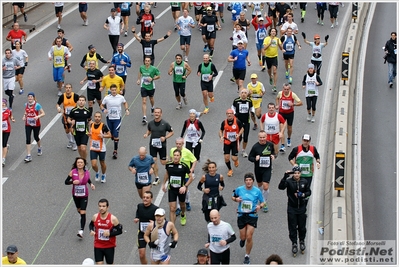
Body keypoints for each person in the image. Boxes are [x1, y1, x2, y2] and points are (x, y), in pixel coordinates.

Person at [232, 172, 265, 265]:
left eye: (250, 180)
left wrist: (260, 206)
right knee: (243, 236)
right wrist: (236, 199)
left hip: (252, 215)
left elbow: (263, 202)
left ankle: (247, 256)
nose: (248, 182)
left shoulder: (257, 191)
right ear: (244, 181)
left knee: (249, 236)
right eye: (246, 180)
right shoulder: (239, 189)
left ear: (253, 181)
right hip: (241, 215)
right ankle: (242, 240)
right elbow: (233, 196)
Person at [278, 166, 311, 255]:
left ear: (300, 174)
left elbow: (309, 192)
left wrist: (303, 194)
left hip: (301, 208)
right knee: (292, 226)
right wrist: (285, 177)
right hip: (292, 207)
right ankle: (294, 243)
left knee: (302, 227)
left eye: (298, 173)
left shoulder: (304, 181)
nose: (296, 175)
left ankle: (302, 241)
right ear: (293, 174)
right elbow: (280, 187)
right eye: (295, 173)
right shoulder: (289, 181)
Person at [65, 157, 95, 238]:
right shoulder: (73, 172)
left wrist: (91, 184)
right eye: (78, 162)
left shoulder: (87, 172)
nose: (80, 164)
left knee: (83, 212)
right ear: (76, 164)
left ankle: (81, 230)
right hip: (75, 195)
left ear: (84, 164)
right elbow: (66, 182)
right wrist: (72, 182)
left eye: (81, 162)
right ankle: (82, 218)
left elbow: (88, 179)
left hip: (84, 195)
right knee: (79, 210)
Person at [144, 107, 174, 186]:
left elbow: (171, 132)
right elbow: (149, 130)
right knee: (153, 161)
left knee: (163, 162)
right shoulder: (150, 123)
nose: (156, 114)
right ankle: (157, 177)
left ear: (161, 114)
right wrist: (147, 134)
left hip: (162, 145)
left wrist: (165, 137)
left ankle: (170, 159)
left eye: (158, 112)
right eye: (155, 112)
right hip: (153, 144)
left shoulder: (165, 123)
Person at [162, 149, 193, 225]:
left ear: (180, 156)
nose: (176, 157)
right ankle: (172, 226)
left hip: (181, 189)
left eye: (177, 155)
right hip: (171, 189)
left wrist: (185, 186)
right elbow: (167, 174)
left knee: (182, 204)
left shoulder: (184, 166)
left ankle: (183, 214)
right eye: (174, 155)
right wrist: (163, 184)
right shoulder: (168, 165)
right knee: (172, 208)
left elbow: (191, 177)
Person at [248, 130, 276, 212]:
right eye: (260, 137)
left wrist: (273, 156)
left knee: (265, 186)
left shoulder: (270, 145)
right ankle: (261, 198)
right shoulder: (255, 147)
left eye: (263, 137)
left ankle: (264, 202)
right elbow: (250, 157)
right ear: (258, 138)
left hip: (267, 169)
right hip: (258, 169)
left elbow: (274, 152)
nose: (262, 139)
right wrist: (255, 159)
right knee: (260, 186)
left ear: (266, 137)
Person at [100, 84, 129, 159]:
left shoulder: (120, 97)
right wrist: (103, 110)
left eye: (115, 90)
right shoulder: (107, 98)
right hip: (109, 118)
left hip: (117, 118)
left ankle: (115, 150)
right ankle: (113, 136)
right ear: (110, 90)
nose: (113, 91)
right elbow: (101, 105)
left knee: (115, 133)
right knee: (111, 133)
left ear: (117, 90)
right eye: (112, 90)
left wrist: (126, 109)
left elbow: (125, 103)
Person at [89, 198, 123, 264]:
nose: (101, 208)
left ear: (107, 207)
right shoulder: (95, 216)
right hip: (98, 245)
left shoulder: (113, 219)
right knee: (99, 264)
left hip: (109, 246)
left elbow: (120, 231)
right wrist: (91, 230)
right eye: (100, 206)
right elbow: (91, 225)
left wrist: (110, 234)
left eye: (103, 206)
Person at [169, 137, 197, 214]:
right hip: (176, 176)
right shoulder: (172, 150)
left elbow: (194, 160)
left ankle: (187, 202)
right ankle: (178, 208)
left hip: (185, 176)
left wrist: (191, 169)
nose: (178, 145)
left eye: (180, 144)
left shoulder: (187, 152)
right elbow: (171, 159)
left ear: (183, 144)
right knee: (177, 190)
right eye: (177, 144)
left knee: (185, 190)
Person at [134, 190, 158, 264]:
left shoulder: (156, 209)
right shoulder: (140, 206)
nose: (145, 199)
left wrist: (154, 223)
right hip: (142, 233)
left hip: (152, 234)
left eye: (147, 198)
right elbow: (138, 213)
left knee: (155, 255)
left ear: (151, 199)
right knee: (141, 254)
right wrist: (137, 218)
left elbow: (163, 222)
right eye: (144, 197)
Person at [275, 83, 302, 148]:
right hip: (281, 113)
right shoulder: (280, 93)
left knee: (289, 128)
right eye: (285, 89)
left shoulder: (292, 94)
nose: (286, 91)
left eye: (287, 89)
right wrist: (277, 105)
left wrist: (293, 104)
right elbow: (277, 98)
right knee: (282, 129)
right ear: (283, 89)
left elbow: (300, 103)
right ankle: (282, 145)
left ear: (290, 89)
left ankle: (289, 138)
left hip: (290, 113)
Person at [219, 108, 244, 177]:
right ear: (226, 115)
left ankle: (236, 160)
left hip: (235, 142)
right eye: (228, 113)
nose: (229, 115)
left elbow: (242, 128)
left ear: (233, 115)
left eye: (231, 113)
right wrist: (221, 136)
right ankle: (230, 169)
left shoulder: (237, 121)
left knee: (233, 158)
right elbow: (221, 130)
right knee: (226, 157)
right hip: (227, 141)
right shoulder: (224, 122)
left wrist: (238, 134)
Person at [88, 111, 111, 183]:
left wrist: (103, 136)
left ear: (101, 118)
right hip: (93, 147)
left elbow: (110, 135)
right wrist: (89, 134)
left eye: (99, 117)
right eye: (96, 117)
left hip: (101, 148)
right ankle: (97, 172)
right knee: (93, 164)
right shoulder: (91, 125)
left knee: (102, 163)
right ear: (94, 117)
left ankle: (103, 174)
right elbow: (91, 132)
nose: (97, 118)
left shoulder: (103, 126)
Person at [137, 56, 160, 124]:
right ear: (144, 61)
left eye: (148, 61)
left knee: (151, 98)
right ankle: (144, 117)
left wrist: (152, 79)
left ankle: (152, 107)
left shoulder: (153, 69)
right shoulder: (141, 67)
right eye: (145, 61)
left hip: (151, 87)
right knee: (144, 101)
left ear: (150, 62)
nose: (147, 62)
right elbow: (140, 72)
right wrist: (138, 79)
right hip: (143, 86)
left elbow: (158, 76)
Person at [56, 83, 79, 151]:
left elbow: (80, 103)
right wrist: (59, 108)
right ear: (65, 89)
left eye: (69, 87)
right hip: (66, 115)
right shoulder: (62, 96)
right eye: (66, 88)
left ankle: (74, 143)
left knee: (72, 130)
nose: (68, 89)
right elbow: (57, 104)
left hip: (74, 116)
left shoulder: (75, 96)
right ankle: (71, 140)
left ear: (71, 89)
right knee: (67, 130)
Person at [231, 88, 254, 157]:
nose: (243, 94)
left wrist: (252, 112)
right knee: (239, 137)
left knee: (246, 137)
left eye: (245, 93)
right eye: (242, 93)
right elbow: (232, 108)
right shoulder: (236, 100)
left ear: (247, 94)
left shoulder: (249, 101)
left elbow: (251, 108)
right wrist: (234, 114)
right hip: (238, 122)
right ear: (240, 94)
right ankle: (236, 148)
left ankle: (243, 150)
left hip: (246, 121)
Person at [68, 95, 92, 160]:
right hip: (76, 132)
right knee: (79, 148)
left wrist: (91, 128)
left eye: (83, 100)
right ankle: (82, 159)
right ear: (78, 101)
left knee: (83, 148)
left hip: (85, 132)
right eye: (80, 100)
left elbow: (89, 120)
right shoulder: (74, 110)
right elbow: (68, 118)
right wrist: (71, 122)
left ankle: (84, 160)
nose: (81, 102)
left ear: (85, 102)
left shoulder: (87, 111)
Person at [23, 92, 45, 162]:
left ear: (34, 98)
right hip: (28, 124)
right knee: (28, 138)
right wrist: (24, 116)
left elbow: (43, 113)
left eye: (31, 97)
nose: (30, 98)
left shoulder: (37, 105)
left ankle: (39, 147)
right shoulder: (26, 104)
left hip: (36, 124)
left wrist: (37, 116)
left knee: (36, 137)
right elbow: (26, 112)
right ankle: (29, 155)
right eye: (29, 97)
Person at [262, 28, 285, 92]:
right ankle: (270, 77)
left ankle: (274, 86)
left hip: (274, 57)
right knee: (269, 70)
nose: (273, 32)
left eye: (274, 31)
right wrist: (269, 43)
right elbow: (264, 48)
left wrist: (281, 47)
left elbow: (281, 48)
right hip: (268, 56)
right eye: (272, 31)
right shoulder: (266, 39)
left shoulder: (277, 39)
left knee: (275, 71)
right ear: (270, 32)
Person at [2, 99, 15, 167]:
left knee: (3, 144)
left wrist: (12, 119)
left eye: (4, 103)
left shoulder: (8, 111)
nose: (3, 104)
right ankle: (7, 146)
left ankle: (3, 159)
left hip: (7, 130)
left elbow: (11, 116)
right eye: (2, 103)